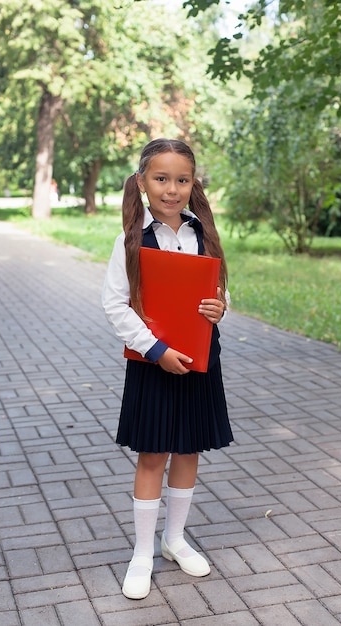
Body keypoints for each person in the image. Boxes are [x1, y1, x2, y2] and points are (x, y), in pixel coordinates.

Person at [102, 138, 233, 600]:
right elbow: (115, 306)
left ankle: (174, 539)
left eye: (181, 180)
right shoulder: (132, 240)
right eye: (161, 179)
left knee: (189, 449)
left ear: (191, 184)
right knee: (153, 454)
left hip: (199, 359)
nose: (172, 189)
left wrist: (221, 308)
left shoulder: (203, 236)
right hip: (153, 360)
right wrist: (155, 349)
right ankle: (142, 552)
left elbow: (219, 293)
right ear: (143, 183)